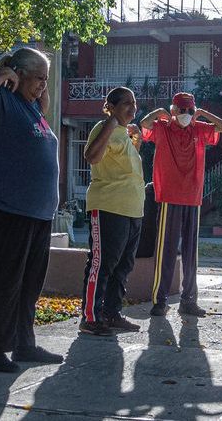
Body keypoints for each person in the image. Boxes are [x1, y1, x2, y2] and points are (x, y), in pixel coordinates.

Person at [0, 47, 64, 373]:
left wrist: (37, 85)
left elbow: (43, 100)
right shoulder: (4, 101)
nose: (43, 85)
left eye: (46, 79)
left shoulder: (32, 107)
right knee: (8, 281)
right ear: (18, 75)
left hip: (38, 212)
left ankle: (25, 344)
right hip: (10, 206)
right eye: (39, 78)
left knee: (30, 283)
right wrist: (4, 73)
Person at [140, 92, 222, 317]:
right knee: (166, 251)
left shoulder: (199, 128)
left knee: (191, 253)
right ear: (173, 110)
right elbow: (144, 124)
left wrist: (203, 113)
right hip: (169, 196)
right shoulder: (163, 127)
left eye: (190, 110)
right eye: (182, 110)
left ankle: (188, 301)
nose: (186, 114)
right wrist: (159, 112)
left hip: (192, 196)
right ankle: (160, 301)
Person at [78, 87, 146, 336]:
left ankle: (112, 313)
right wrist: (111, 123)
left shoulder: (124, 134)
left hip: (132, 208)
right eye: (126, 103)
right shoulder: (103, 127)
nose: (133, 108)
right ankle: (91, 318)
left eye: (134, 103)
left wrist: (135, 141)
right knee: (102, 264)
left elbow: (123, 168)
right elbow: (92, 157)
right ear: (111, 106)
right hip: (108, 206)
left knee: (123, 266)